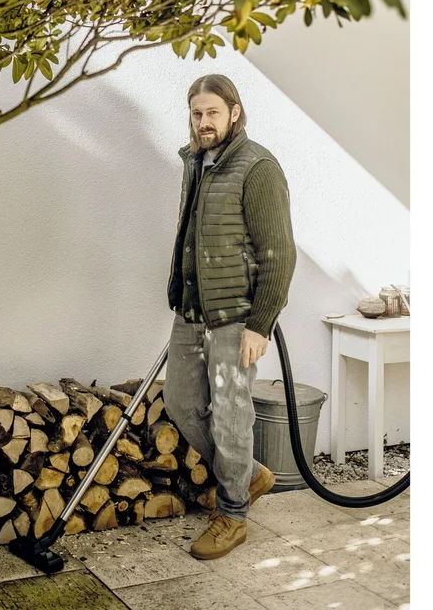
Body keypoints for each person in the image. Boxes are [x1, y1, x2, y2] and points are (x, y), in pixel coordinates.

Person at [163, 74, 298, 560]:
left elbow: (278, 253)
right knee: (180, 402)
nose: (203, 122)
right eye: (197, 113)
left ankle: (233, 515)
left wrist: (260, 324)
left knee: (230, 416)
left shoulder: (257, 167)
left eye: (212, 113)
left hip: (236, 316)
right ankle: (250, 474)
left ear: (234, 113)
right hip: (192, 308)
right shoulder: (194, 161)